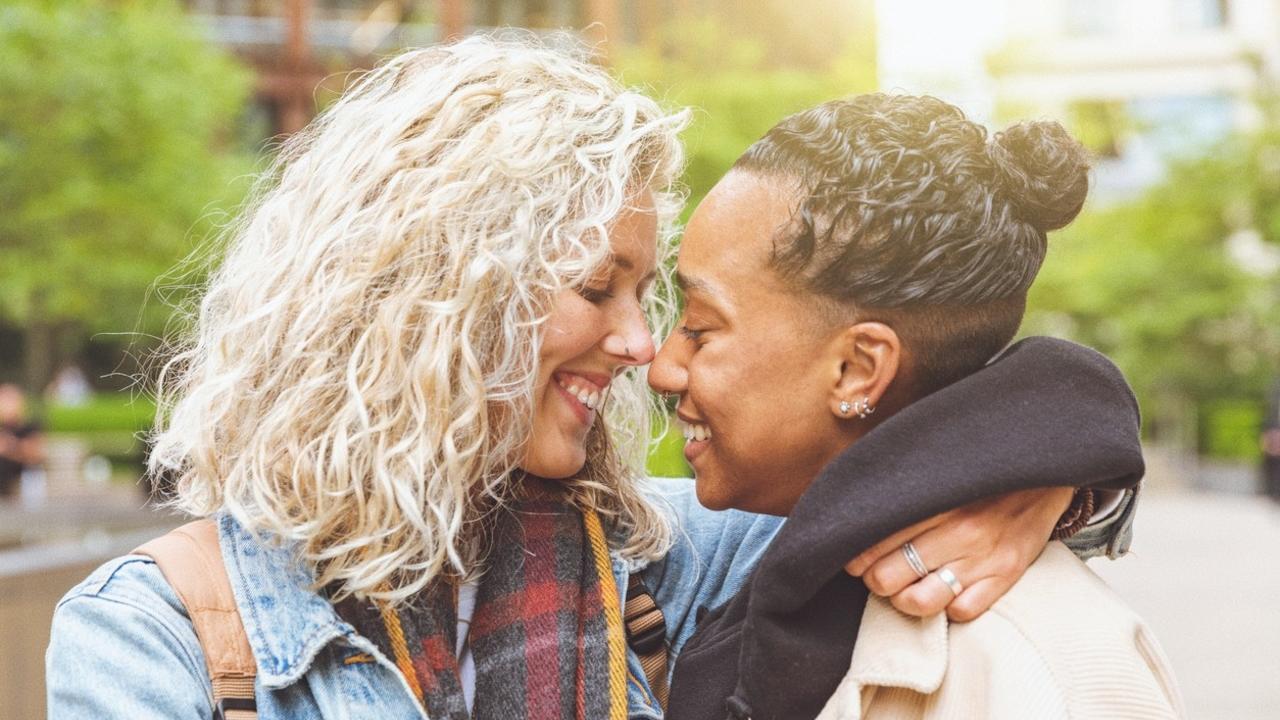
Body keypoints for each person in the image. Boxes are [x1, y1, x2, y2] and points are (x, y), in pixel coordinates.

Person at [47, 42, 1131, 719]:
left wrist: (1038, 476)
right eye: (598, 288)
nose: (635, 346)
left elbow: (901, 430)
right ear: (433, 295)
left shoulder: (673, 559)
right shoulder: (157, 633)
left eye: (652, 298)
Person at [651, 94, 1181, 719]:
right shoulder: (763, 570)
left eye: (702, 328)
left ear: (857, 370)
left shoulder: (1052, 674)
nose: (660, 367)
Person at [0, 382, 44, 500]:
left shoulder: (29, 427)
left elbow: (34, 456)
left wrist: (10, 447)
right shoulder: (3, 429)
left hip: (22, 479)